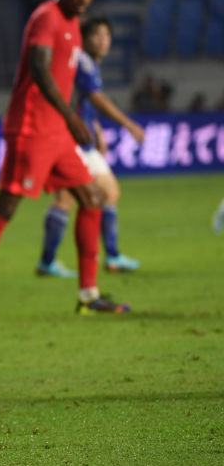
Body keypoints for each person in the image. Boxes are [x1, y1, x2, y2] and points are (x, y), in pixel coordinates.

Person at [0, 0, 131, 320]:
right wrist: (72, 117)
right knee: (6, 209)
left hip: (57, 133)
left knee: (92, 197)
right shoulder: (47, 17)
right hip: (31, 130)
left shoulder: (72, 24)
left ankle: (89, 294)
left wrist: (70, 122)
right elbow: (39, 69)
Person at [36, 16, 146, 277]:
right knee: (65, 200)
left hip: (84, 142)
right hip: (68, 142)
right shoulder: (82, 62)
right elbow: (97, 100)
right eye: (97, 35)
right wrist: (128, 125)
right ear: (85, 39)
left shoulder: (87, 64)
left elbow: (82, 103)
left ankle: (112, 256)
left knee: (109, 192)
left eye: (107, 36)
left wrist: (97, 132)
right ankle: (48, 262)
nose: (103, 41)